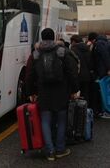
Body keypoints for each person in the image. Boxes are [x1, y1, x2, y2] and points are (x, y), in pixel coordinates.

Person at [26, 28, 79, 161]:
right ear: (54, 37)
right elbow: (71, 73)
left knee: (45, 121)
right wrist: (74, 90)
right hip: (61, 91)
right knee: (61, 120)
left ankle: (50, 151)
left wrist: (31, 92)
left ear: (42, 38)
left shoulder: (36, 54)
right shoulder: (62, 51)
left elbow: (30, 75)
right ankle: (60, 149)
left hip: (43, 92)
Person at [90, 33, 110, 118]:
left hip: (103, 72)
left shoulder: (99, 44)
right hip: (105, 71)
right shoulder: (105, 43)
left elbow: (105, 56)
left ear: (93, 39)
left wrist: (109, 68)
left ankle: (107, 111)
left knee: (105, 92)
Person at [70, 34, 92, 102]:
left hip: (78, 76)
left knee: (77, 95)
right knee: (86, 94)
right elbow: (90, 62)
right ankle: (86, 110)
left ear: (73, 41)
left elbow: (72, 64)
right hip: (87, 75)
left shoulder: (73, 49)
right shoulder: (87, 48)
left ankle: (79, 111)